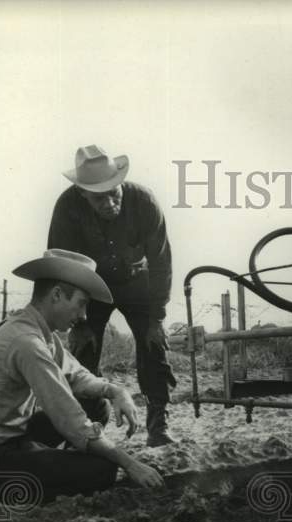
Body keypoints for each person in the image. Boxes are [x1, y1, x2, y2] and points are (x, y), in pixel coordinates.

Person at [0, 249, 165, 506]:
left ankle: (50, 465)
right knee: (102, 470)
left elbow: (78, 376)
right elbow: (70, 420)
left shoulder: (37, 331)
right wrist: (131, 463)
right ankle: (9, 484)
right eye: (81, 303)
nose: (84, 315)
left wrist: (116, 391)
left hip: (11, 438)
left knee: (98, 403)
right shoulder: (27, 342)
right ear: (57, 295)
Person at [47, 145, 177, 447]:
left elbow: (161, 262)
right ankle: (88, 425)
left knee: (154, 345)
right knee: (82, 352)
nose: (108, 202)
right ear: (82, 193)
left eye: (113, 193)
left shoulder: (144, 202)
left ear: (121, 183)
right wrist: (78, 324)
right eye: (98, 197)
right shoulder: (66, 208)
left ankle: (159, 424)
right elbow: (62, 265)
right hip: (90, 287)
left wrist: (157, 317)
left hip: (137, 282)